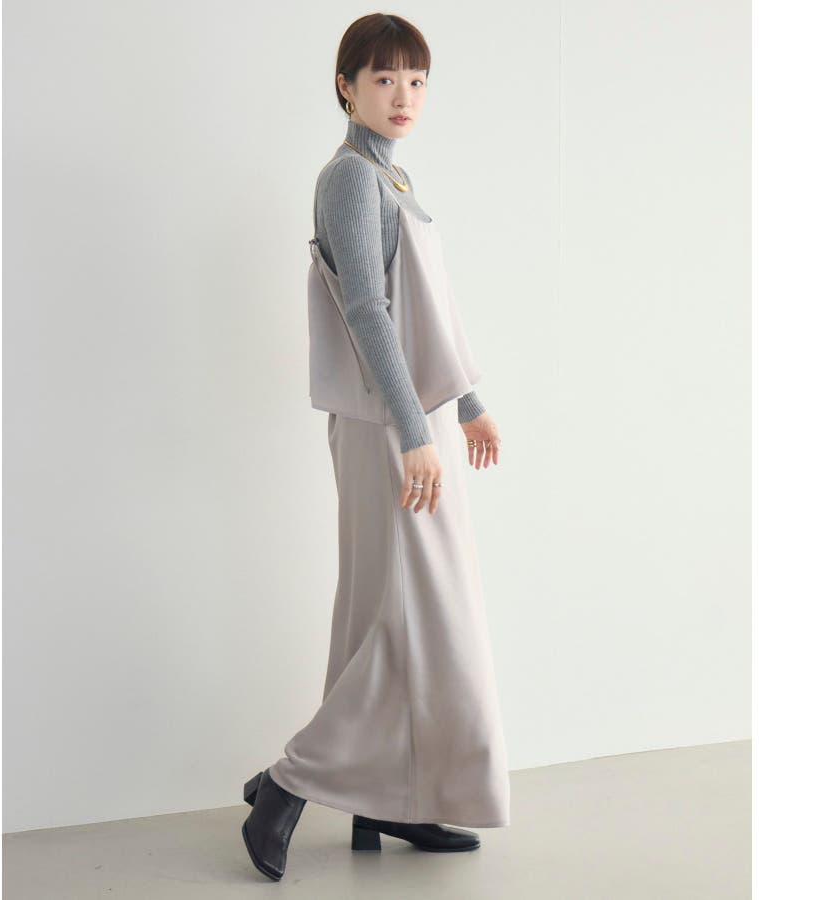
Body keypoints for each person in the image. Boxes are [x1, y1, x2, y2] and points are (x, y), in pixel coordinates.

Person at [241, 13, 509, 882]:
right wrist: (414, 431)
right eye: (385, 78)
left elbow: (430, 309)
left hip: (417, 424)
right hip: (389, 430)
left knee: (398, 613)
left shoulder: (395, 178)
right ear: (346, 87)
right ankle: (290, 783)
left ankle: (392, 800)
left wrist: (468, 402)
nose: (405, 96)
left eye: (417, 80)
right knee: (408, 617)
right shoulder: (350, 179)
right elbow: (367, 312)